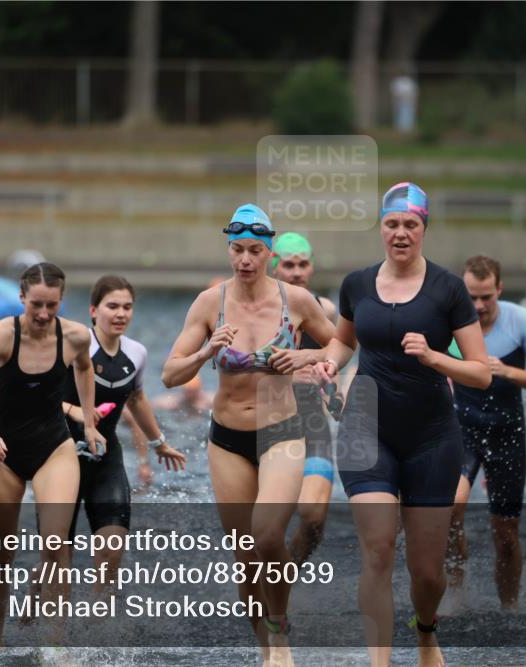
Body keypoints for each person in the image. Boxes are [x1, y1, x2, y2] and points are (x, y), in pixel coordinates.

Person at [300, 183, 491, 667]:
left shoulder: (448, 289)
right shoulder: (357, 284)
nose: (401, 233)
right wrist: (328, 363)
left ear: (424, 228)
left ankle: (426, 633)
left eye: (411, 224)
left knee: (427, 572)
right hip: (368, 428)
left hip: (432, 438)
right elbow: (343, 343)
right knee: (379, 548)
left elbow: (481, 372)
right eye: (392, 224)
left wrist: (434, 356)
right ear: (380, 228)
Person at [162, 204, 335, 667]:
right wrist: (205, 352)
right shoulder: (209, 303)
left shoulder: (295, 302)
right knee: (245, 557)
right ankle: (266, 649)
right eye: (237, 249)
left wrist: (305, 360)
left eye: (254, 250)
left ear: (269, 252)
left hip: (283, 432)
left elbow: (342, 344)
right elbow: (169, 375)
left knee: (267, 535)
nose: (244, 259)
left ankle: (280, 637)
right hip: (227, 440)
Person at [0, 262, 103, 646]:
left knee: (56, 544)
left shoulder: (76, 336)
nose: (42, 314)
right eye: (35, 304)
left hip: (54, 448)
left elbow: (86, 370)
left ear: (61, 301)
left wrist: (88, 421)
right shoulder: (0, 336)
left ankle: (54, 647)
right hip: (1, 455)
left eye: (51, 305)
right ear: (21, 298)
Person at [445, 255, 526, 610]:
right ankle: (455, 592)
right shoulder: (448, 321)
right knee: (451, 508)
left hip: (507, 433)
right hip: (462, 428)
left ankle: (509, 609)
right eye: (471, 297)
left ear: (499, 290)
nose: (478, 306)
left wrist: (508, 372)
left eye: (486, 298)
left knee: (506, 533)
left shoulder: (520, 320)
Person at [59, 274, 185, 594]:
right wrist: (75, 413)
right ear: (93, 311)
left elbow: (138, 399)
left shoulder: (137, 353)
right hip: (62, 459)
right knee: (58, 556)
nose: (120, 314)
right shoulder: (75, 345)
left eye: (127, 307)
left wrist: (159, 443)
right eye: (112, 306)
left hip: (106, 458)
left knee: (112, 549)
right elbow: (44, 396)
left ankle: (96, 624)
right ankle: (35, 613)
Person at [270, 232, 339, 564]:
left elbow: (338, 358)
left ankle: (286, 579)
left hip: (312, 421)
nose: (296, 271)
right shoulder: (256, 311)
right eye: (288, 264)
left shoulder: (325, 310)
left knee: (313, 517)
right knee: (268, 524)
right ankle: (267, 593)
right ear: (273, 267)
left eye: (303, 264)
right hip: (267, 423)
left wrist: (334, 390)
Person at [149, 374, 214, 416]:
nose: (190, 395)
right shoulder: (175, 402)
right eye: (188, 392)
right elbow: (155, 404)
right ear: (183, 391)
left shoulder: (208, 401)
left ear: (199, 391)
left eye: (193, 392)